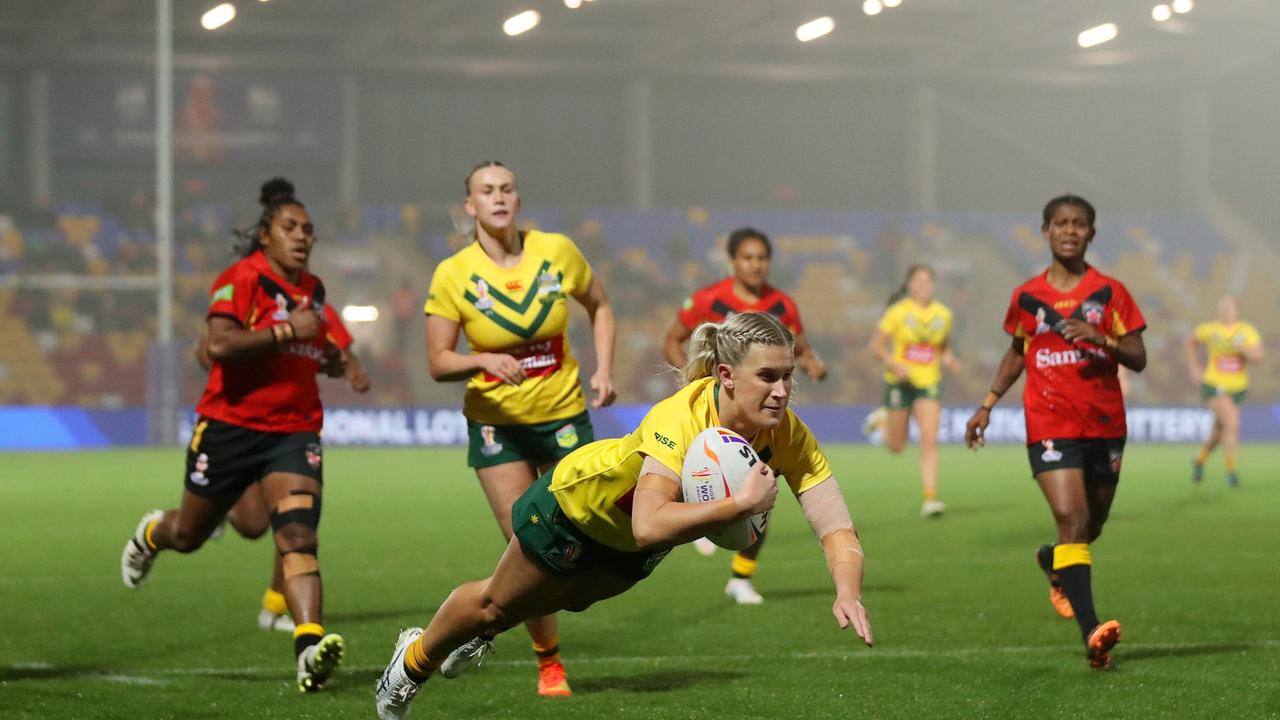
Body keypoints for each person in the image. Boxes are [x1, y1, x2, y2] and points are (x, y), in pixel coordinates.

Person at [375, 312, 873, 720]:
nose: (783, 391)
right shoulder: (680, 417)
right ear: (726, 376)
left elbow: (835, 524)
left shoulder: (787, 433)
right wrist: (739, 505)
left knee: (571, 601)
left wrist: (847, 589)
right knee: (497, 606)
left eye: (788, 376)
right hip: (576, 505)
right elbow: (648, 521)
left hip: (633, 546)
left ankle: (479, 632)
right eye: (767, 376)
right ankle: (411, 663)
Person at [120, 178, 346, 692]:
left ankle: (309, 648)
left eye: (308, 230)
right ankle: (153, 533)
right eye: (290, 228)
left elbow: (309, 348)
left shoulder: (313, 288)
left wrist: (330, 357)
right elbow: (218, 346)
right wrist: (290, 332)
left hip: (294, 431)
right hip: (229, 429)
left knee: (297, 535)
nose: (302, 237)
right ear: (265, 234)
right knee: (189, 535)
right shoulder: (240, 278)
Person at [421, 161, 616, 697]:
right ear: (470, 206)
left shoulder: (557, 251)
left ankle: (483, 623)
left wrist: (603, 368)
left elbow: (599, 304)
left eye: (506, 188)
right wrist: (481, 361)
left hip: (563, 416)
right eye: (486, 191)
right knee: (527, 545)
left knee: (581, 540)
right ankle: (548, 663)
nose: (498, 197)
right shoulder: (453, 273)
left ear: (519, 199)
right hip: (497, 426)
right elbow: (438, 361)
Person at [964, 194, 1147, 671]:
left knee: (1092, 525)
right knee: (1072, 518)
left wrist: (1102, 339)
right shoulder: (1026, 297)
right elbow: (1018, 351)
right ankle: (1092, 632)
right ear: (1045, 231)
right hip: (1048, 421)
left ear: (1091, 234)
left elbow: (1138, 356)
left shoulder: (1111, 293)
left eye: (1079, 224)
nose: (1069, 231)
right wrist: (987, 403)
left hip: (1104, 422)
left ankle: (1055, 562)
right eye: (1060, 223)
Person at [661, 226, 827, 604]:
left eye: (762, 258)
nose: (755, 265)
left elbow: (799, 348)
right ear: (733, 261)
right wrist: (694, 378)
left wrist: (813, 363)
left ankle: (741, 577)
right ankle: (699, 513)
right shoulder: (708, 300)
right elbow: (672, 339)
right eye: (748, 258)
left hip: (758, 421)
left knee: (764, 492)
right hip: (714, 412)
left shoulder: (783, 305)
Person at [195, 302, 369, 633]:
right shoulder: (249, 298)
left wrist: (353, 369)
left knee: (295, 522)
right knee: (252, 525)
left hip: (293, 432)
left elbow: (343, 350)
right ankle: (217, 504)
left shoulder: (316, 307)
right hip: (246, 429)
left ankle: (277, 607)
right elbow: (207, 351)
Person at [868, 265, 960, 518]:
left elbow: (942, 346)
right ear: (909, 285)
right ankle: (882, 419)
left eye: (928, 280)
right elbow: (876, 346)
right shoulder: (897, 312)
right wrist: (893, 363)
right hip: (899, 383)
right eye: (918, 281)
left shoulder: (943, 314)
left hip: (928, 382)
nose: (924, 285)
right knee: (896, 446)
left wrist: (950, 359)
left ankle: (930, 498)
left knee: (929, 440)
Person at [1187, 295, 1263, 487]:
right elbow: (1192, 341)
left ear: (1236, 310)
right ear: (1219, 310)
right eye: (1224, 307)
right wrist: (1194, 367)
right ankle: (1231, 471)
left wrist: (1244, 349)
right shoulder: (1211, 330)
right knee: (1232, 422)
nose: (1227, 310)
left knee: (1219, 432)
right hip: (1214, 385)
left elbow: (1258, 357)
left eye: (1230, 307)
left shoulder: (1246, 332)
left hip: (1238, 388)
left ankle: (1199, 460)